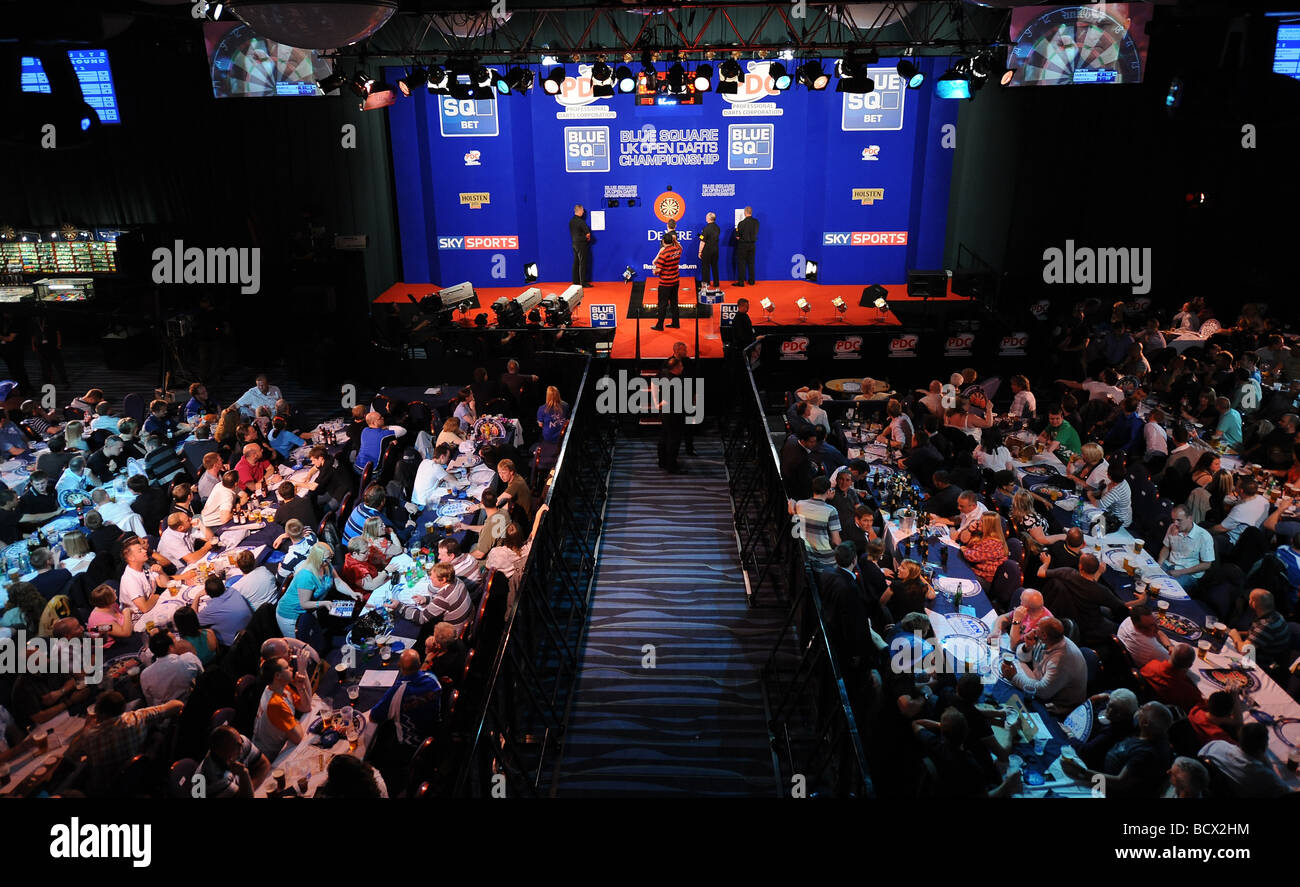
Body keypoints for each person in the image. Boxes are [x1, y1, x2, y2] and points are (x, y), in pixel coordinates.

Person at [68, 691, 183, 796]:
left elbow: (71, 754)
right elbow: (178, 705)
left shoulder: (90, 738)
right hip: (140, 775)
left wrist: (87, 726)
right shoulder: (138, 717)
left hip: (108, 789)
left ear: (100, 714)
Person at [1061, 701, 1174, 798]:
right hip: (1096, 772)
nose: (1139, 709)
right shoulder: (1146, 730)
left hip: (1104, 790)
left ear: (1145, 723)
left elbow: (1119, 782)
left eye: (1142, 709)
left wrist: (1082, 772)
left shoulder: (1146, 753)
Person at [1037, 551, 1140, 648]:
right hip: (1090, 623)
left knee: (1107, 611)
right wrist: (1141, 601)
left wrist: (1046, 562)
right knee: (1118, 628)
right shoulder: (1100, 591)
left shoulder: (1067, 573)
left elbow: (1040, 573)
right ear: (1096, 569)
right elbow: (1124, 605)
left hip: (1071, 611)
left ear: (1080, 567)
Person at [369, 648, 443, 762]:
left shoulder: (398, 692)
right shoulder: (433, 678)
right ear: (419, 664)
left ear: (400, 666)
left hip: (409, 746)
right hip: (434, 731)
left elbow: (374, 716)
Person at [999, 617, 1087, 712]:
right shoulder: (1048, 639)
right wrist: (1027, 647)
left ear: (1044, 635)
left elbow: (1043, 692)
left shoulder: (1061, 660)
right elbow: (1022, 657)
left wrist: (1014, 677)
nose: (1034, 629)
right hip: (1039, 682)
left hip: (1058, 706)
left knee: (1006, 702)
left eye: (1037, 626)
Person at [275, 542, 362, 638]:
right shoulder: (306, 575)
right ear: (317, 559)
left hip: (310, 611)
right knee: (303, 645)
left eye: (331, 557)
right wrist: (324, 603)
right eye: (327, 559)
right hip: (291, 615)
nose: (329, 561)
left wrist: (351, 593)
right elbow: (304, 604)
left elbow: (338, 582)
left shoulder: (325, 565)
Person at [1199, 722, 1289, 798]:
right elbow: (1286, 790)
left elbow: (1201, 755)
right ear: (1264, 746)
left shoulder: (1218, 745)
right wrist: (1267, 762)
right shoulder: (1264, 775)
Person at [253, 656, 313, 760]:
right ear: (278, 676)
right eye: (287, 667)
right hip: (270, 757)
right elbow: (298, 738)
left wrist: (300, 687)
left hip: (281, 745)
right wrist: (294, 720)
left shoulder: (281, 686)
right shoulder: (275, 704)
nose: (291, 668)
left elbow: (306, 707)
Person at [199, 725, 271, 799]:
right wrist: (244, 774)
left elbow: (264, 764)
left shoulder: (240, 741)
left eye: (240, 741)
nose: (242, 745)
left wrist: (249, 788)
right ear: (221, 752)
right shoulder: (212, 776)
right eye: (237, 744)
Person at [1228, 588, 1291, 668]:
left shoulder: (1267, 624)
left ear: (1253, 604)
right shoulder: (1275, 615)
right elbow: (1255, 635)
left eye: (1250, 599)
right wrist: (1236, 633)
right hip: (1260, 655)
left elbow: (1245, 651)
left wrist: (1235, 636)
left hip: (1261, 665)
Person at [139, 630, 203, 706]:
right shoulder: (188, 659)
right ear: (170, 647)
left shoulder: (145, 675)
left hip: (167, 713)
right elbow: (202, 676)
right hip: (195, 703)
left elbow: (150, 702)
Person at [960, 513, 1009, 585]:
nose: (978, 522)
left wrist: (964, 549)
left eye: (982, 521)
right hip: (975, 570)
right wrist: (969, 529)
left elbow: (971, 556)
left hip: (984, 580)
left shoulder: (993, 543)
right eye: (979, 519)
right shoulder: (982, 534)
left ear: (989, 526)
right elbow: (963, 540)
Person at [649, 231, 682, 331]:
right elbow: (681, 247)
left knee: (662, 305)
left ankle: (659, 326)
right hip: (675, 281)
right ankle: (676, 323)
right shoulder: (677, 249)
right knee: (674, 303)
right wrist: (675, 240)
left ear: (663, 241)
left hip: (665, 283)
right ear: (672, 241)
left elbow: (658, 270)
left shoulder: (663, 253)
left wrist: (654, 271)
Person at [1087, 460, 1133, 529]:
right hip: (1114, 512)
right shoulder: (1120, 480)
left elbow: (1100, 505)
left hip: (1118, 521)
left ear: (1109, 476)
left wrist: (1090, 496)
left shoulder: (1116, 491)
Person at [733, 206, 758, 286]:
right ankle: (752, 281)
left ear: (745, 212)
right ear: (751, 212)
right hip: (752, 245)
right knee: (751, 263)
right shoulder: (756, 222)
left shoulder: (741, 223)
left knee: (741, 263)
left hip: (743, 245)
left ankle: (741, 282)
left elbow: (737, 236)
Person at [569, 203, 591, 286]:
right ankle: (583, 282)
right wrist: (586, 238)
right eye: (582, 210)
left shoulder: (571, 221)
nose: (583, 212)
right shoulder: (581, 222)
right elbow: (588, 234)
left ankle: (575, 281)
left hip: (574, 244)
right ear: (580, 210)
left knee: (576, 262)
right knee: (583, 263)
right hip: (582, 244)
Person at [698, 211, 720, 287]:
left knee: (705, 267)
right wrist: (701, 236)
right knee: (715, 267)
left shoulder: (706, 228)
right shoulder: (717, 228)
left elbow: (702, 241)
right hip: (715, 250)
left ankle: (706, 283)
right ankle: (716, 283)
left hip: (707, 250)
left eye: (706, 217)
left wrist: (700, 252)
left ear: (708, 218)